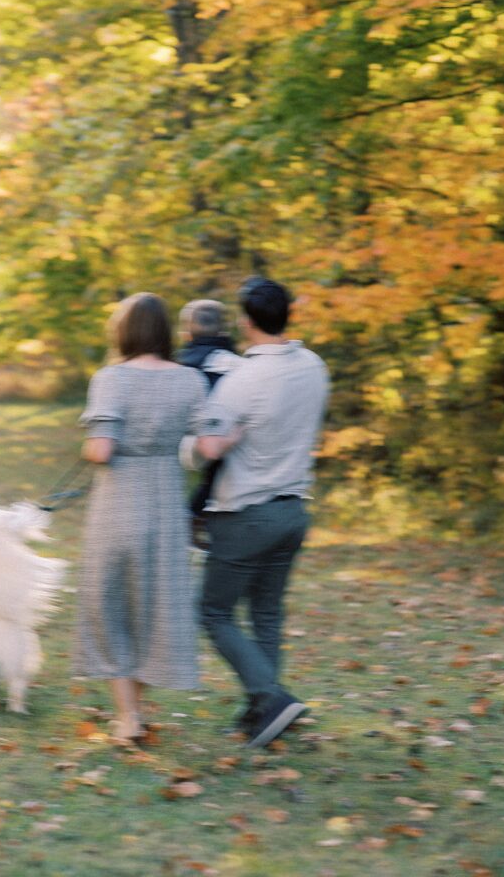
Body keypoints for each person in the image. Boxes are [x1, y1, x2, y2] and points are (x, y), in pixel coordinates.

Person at [182, 277, 329, 749]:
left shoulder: (242, 380)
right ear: (288, 314)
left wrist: (184, 446)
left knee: (212, 611)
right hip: (293, 511)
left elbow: (209, 446)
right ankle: (264, 713)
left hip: (245, 515)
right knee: (266, 613)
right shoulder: (314, 367)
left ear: (246, 321)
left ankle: (271, 697)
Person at [76, 292, 208, 742]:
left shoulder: (111, 379)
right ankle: (137, 708)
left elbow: (100, 449)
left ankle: (127, 717)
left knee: (109, 604)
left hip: (118, 502)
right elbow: (204, 448)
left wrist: (88, 444)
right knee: (155, 605)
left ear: (124, 332)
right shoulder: (191, 381)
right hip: (167, 502)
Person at [177, 300, 242, 521]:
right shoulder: (239, 366)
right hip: (227, 460)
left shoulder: (174, 367)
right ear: (223, 330)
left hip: (182, 447)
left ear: (186, 333)